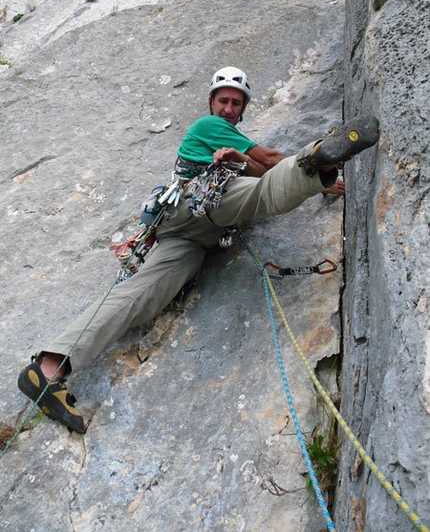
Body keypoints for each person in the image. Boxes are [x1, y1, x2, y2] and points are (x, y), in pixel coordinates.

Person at [18, 67, 379, 434]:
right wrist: (317, 182)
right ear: (210, 102)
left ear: (242, 110)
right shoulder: (208, 127)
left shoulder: (229, 140)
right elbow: (269, 165)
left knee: (140, 295)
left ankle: (47, 369)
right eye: (223, 100)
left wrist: (238, 156)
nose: (228, 107)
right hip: (202, 199)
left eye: (236, 103)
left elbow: (255, 168)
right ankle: (319, 158)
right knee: (263, 197)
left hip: (187, 238)